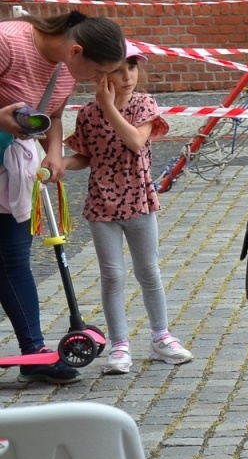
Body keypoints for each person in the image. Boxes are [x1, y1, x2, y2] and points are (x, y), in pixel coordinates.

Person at [0, 10, 129, 384]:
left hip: (9, 171)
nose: (97, 82)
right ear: (76, 51)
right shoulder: (8, 42)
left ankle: (33, 352)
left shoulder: (62, 70)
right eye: (96, 72)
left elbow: (52, 117)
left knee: (13, 260)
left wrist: (53, 152)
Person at [63, 51, 193, 374]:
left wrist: (108, 106)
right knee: (112, 275)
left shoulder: (144, 104)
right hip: (101, 204)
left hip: (138, 199)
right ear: (101, 75)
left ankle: (160, 336)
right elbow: (85, 155)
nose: (127, 76)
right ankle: (120, 343)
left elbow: (135, 140)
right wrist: (62, 164)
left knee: (148, 270)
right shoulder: (88, 114)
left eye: (131, 68)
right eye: (119, 71)